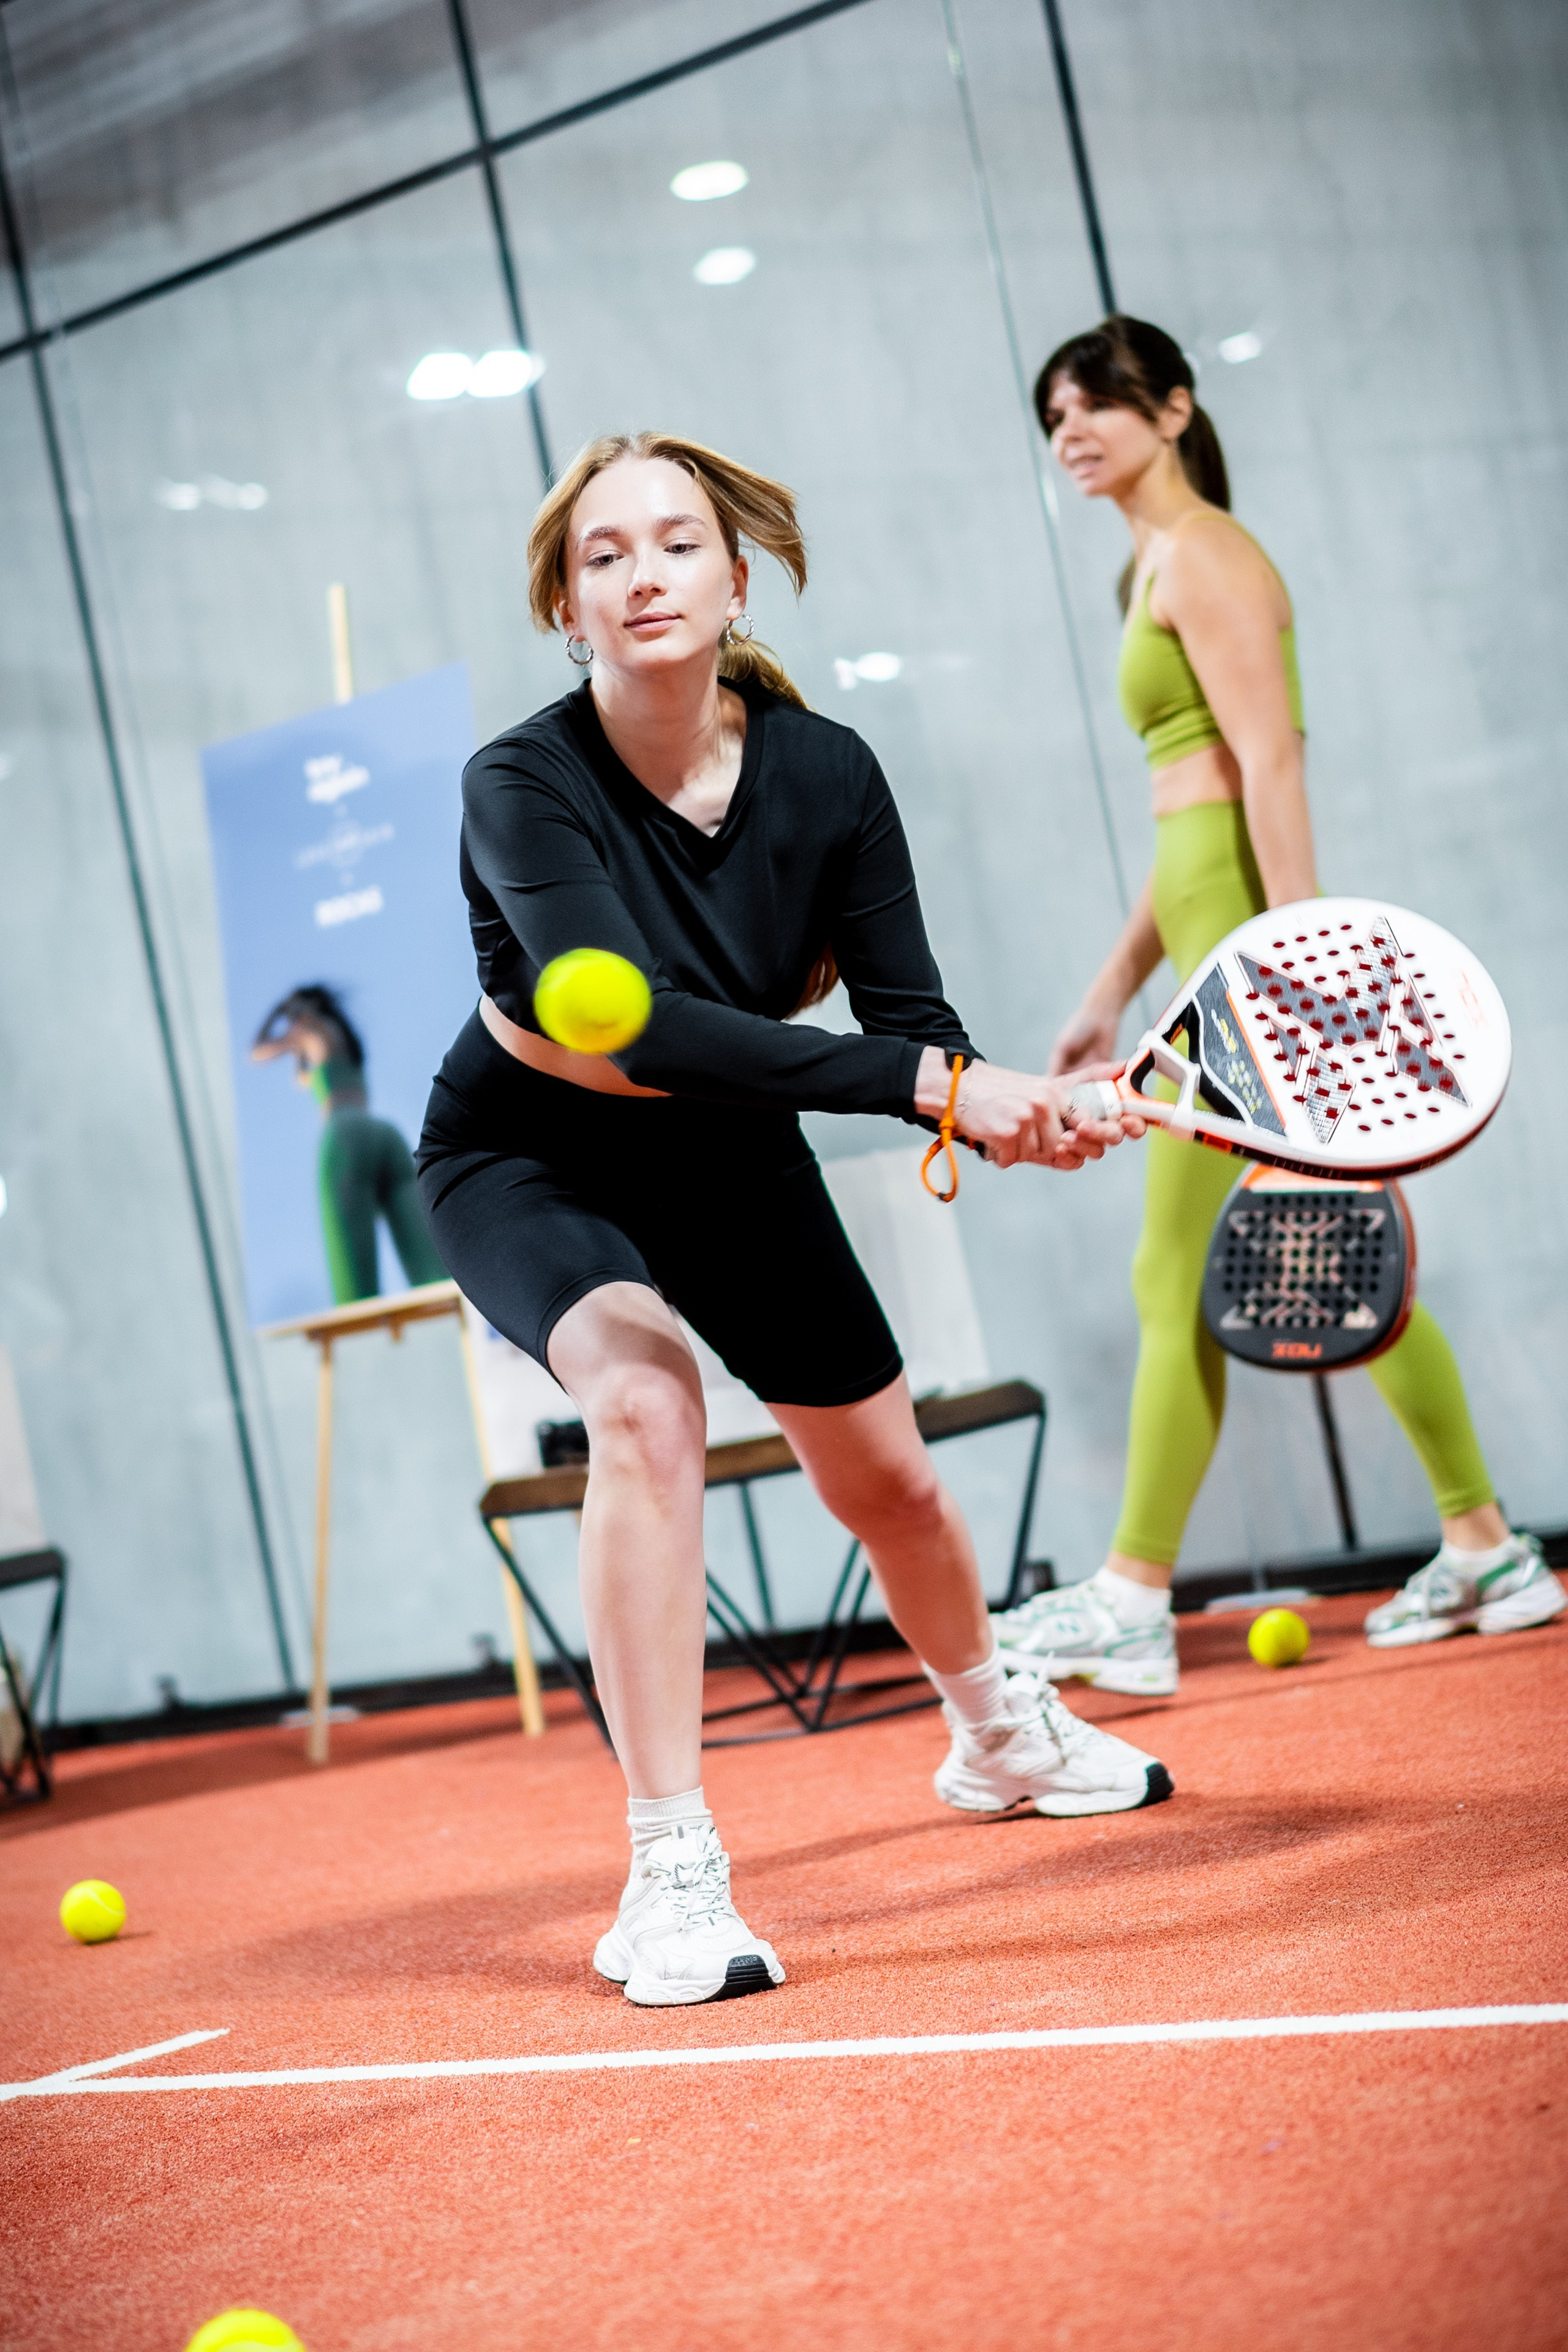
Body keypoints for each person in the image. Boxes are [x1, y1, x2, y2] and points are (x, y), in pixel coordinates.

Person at [415, 430, 1172, 2010]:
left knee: (890, 1480)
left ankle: (993, 1733)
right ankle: (668, 1864)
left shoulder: (827, 772)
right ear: (566, 602)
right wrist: (931, 1087)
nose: (642, 574)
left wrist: (994, 1100)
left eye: (675, 543)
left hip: (736, 1153)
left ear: (733, 576)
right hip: (529, 1151)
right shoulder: (520, 785)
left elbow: (908, 1014)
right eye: (604, 553)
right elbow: (648, 1030)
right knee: (644, 1403)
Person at [990, 316, 1563, 1694]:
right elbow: (1186, 804)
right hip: (1212, 941)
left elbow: (1269, 765)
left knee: (1183, 1269)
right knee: (1313, 1242)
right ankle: (1483, 1543)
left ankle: (1131, 1594)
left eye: (1094, 408)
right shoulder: (1149, 564)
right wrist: (1111, 986)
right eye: (1052, 417)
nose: (1070, 433)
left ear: (1172, 409)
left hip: (1250, 947)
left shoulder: (1203, 555)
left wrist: (1293, 959)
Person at [252, 984, 445, 1303]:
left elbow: (257, 1053)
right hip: (384, 1134)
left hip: (345, 1137)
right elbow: (302, 1078)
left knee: (354, 1287)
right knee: (431, 1268)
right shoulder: (341, 1036)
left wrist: (278, 1012)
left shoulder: (308, 1029)